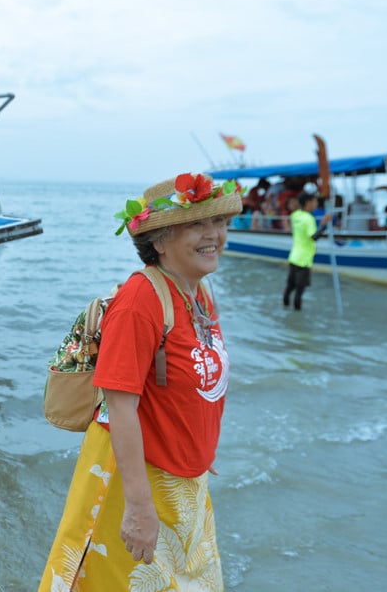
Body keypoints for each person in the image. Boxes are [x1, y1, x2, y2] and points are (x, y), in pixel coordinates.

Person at [38, 172, 242, 590]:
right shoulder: (140, 300)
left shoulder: (198, 292)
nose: (214, 235)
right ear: (160, 240)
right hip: (135, 482)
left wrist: (197, 446)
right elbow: (120, 404)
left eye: (219, 222)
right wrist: (138, 509)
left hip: (183, 481)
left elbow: (192, 389)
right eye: (197, 224)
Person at [283, 192, 332, 310]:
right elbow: (314, 237)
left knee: (290, 287)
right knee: (299, 290)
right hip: (304, 259)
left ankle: (285, 307)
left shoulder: (295, 215)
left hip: (294, 256)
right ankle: (297, 316)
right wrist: (323, 225)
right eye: (315, 201)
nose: (316, 203)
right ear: (308, 202)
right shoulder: (309, 218)